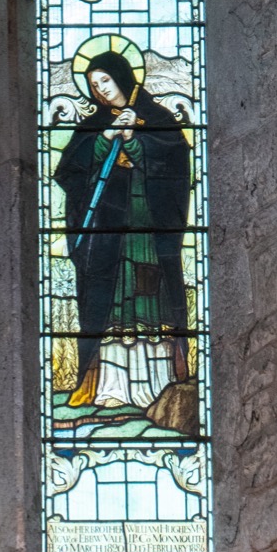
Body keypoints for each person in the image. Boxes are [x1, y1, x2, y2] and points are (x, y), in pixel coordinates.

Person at [54, 49, 191, 410]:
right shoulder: (92, 124)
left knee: (150, 298)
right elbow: (69, 172)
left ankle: (159, 383)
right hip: (106, 234)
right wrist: (105, 138)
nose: (101, 90)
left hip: (146, 226)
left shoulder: (158, 119)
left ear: (123, 78)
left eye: (106, 81)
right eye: (94, 85)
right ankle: (109, 387)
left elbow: (175, 168)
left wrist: (135, 139)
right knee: (112, 302)